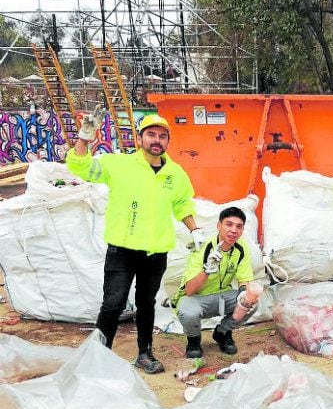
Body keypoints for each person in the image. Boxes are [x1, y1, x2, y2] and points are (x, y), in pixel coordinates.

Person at [65, 107, 205, 374]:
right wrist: (84, 138)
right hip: (122, 251)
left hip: (155, 253)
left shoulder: (175, 174)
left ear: (168, 142)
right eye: (151, 134)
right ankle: (99, 355)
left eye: (162, 136)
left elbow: (182, 204)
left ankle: (145, 353)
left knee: (146, 304)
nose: (156, 140)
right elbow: (80, 166)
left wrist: (195, 229)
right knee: (113, 303)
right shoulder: (119, 164)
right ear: (139, 139)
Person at [172, 206, 259, 358]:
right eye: (229, 224)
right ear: (219, 226)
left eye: (239, 227)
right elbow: (190, 290)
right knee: (187, 312)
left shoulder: (241, 247)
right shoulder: (203, 247)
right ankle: (193, 340)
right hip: (197, 299)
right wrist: (207, 269)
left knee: (251, 303)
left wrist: (243, 293)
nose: (233, 230)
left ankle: (222, 333)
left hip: (221, 297)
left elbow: (244, 278)